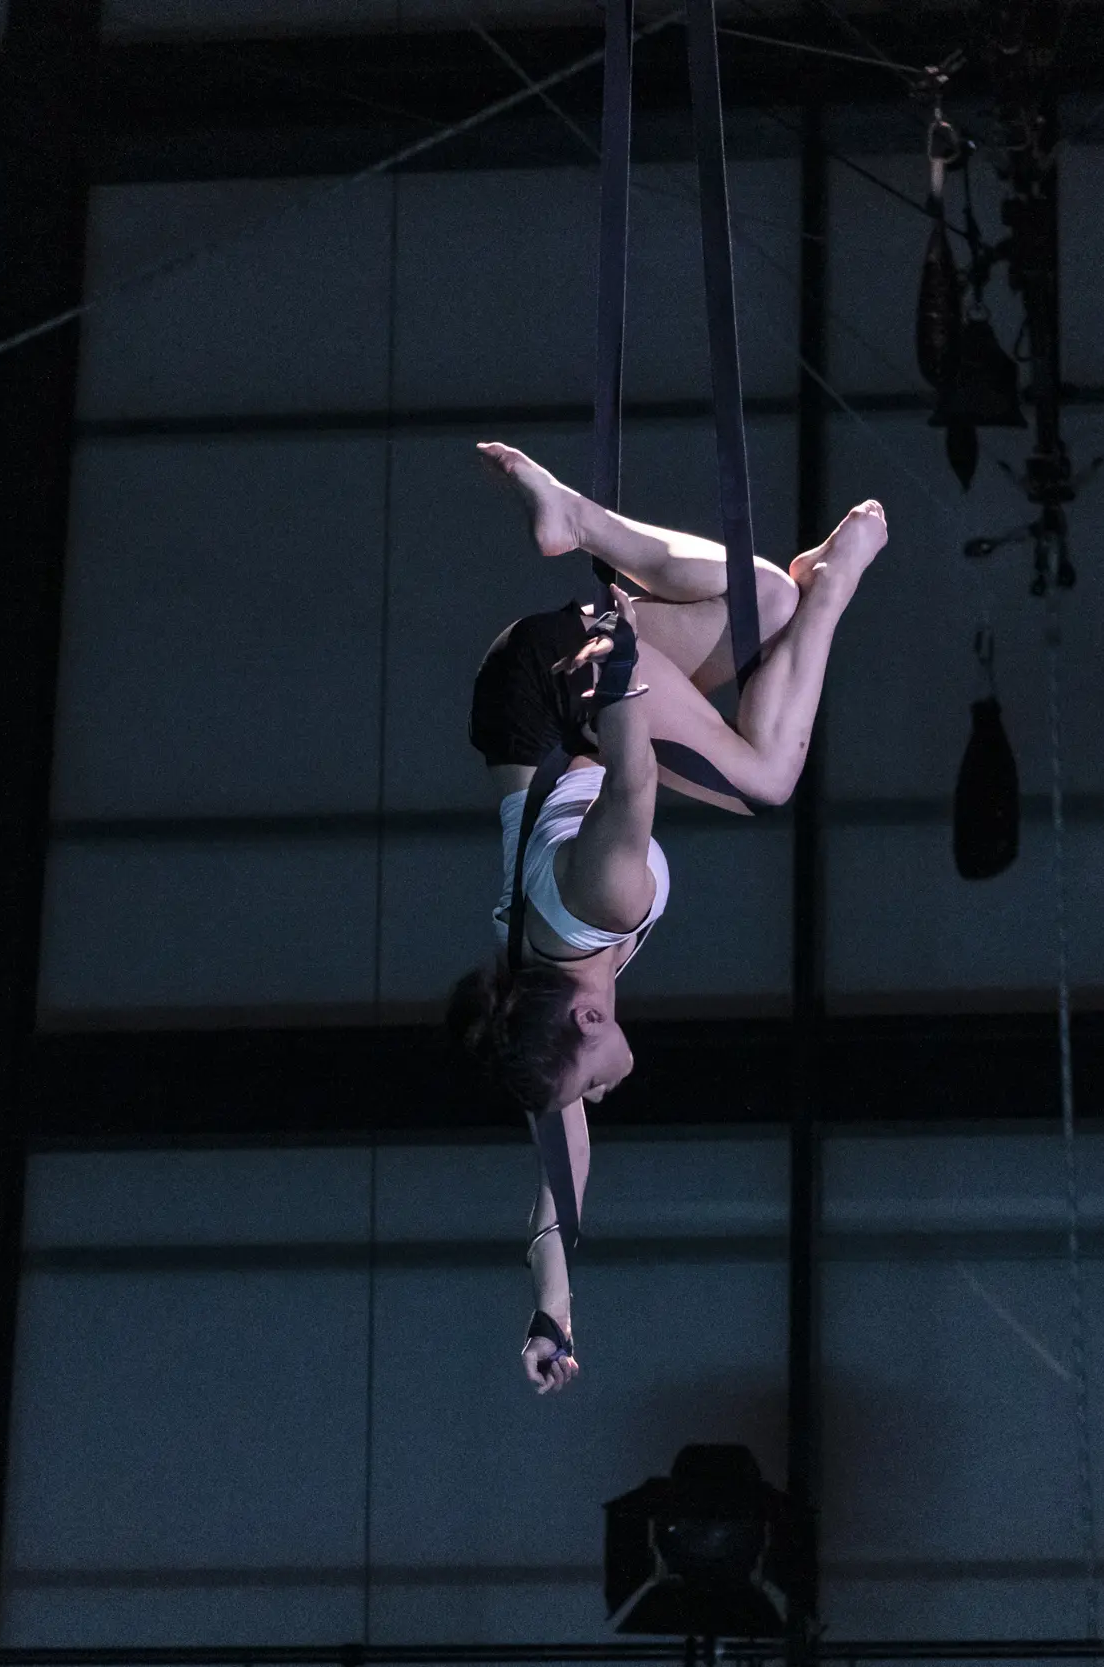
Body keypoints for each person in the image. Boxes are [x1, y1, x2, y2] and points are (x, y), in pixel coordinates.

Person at [448, 441, 889, 1394]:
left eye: (592, 1089)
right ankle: (777, 580)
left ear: (592, 1020)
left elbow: (636, 780)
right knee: (762, 652)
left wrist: (619, 690)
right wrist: (551, 1314)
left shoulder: (601, 903)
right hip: (527, 714)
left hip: (566, 704)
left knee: (769, 738)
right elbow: (556, 1199)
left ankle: (827, 581)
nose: (596, 1097)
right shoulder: (545, 1006)